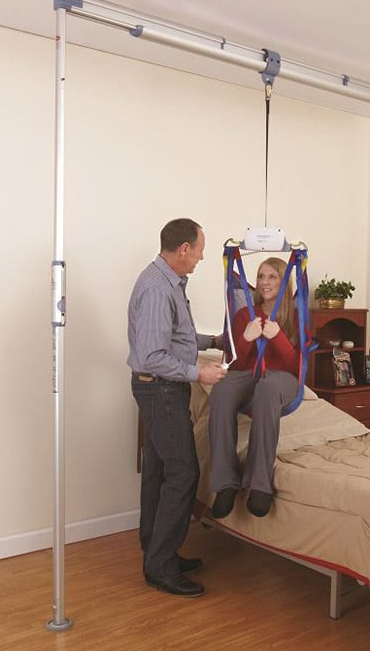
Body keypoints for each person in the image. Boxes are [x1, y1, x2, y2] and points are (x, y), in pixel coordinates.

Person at [127, 218, 226, 598]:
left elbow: (176, 336)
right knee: (184, 472)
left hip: (161, 390)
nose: (200, 258)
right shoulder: (157, 288)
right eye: (199, 251)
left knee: (159, 471)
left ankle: (157, 550)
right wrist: (198, 373)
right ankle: (161, 567)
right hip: (161, 390)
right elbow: (153, 355)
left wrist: (212, 339)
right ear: (184, 249)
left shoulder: (168, 282)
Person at [208, 257, 300, 519]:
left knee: (268, 388)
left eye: (272, 277)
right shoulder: (244, 314)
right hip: (248, 373)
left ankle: (260, 485)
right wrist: (246, 339)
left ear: (284, 282)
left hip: (283, 377)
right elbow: (235, 365)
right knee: (222, 389)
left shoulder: (296, 314)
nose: (264, 282)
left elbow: (298, 365)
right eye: (261, 276)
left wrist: (278, 337)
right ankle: (225, 483)